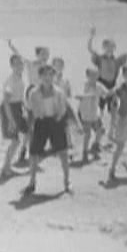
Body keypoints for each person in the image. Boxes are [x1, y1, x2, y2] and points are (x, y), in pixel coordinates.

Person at [23, 65, 82, 196]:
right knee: (33, 153)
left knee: (63, 152)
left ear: (54, 77)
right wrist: (29, 128)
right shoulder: (34, 93)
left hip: (56, 122)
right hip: (41, 123)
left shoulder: (59, 92)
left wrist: (76, 124)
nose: (48, 78)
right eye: (45, 75)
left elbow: (67, 108)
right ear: (40, 77)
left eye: (50, 75)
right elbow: (30, 111)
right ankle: (32, 182)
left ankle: (67, 182)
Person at [87, 27, 127, 140]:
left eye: (111, 47)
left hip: (112, 87)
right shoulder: (99, 59)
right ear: (103, 48)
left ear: (114, 48)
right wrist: (92, 36)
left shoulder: (117, 61)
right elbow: (90, 49)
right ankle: (98, 132)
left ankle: (111, 132)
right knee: (98, 111)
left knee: (114, 111)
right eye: (107, 47)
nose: (109, 49)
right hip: (101, 86)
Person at [7, 39, 50, 161]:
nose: (45, 56)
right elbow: (19, 56)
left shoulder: (47, 68)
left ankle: (30, 149)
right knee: (31, 124)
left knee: (39, 124)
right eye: (43, 54)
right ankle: (25, 150)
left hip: (42, 94)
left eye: (47, 54)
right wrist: (11, 46)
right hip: (32, 93)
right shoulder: (31, 64)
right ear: (38, 54)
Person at [0, 54, 29, 177]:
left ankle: (22, 154)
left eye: (21, 63)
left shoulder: (20, 78)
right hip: (9, 109)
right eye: (16, 64)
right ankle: (5, 168)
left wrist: (25, 107)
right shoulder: (10, 81)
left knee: (28, 131)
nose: (19, 66)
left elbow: (20, 96)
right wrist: (11, 121)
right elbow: (6, 102)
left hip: (17, 107)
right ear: (11, 66)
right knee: (15, 141)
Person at [76, 67, 109, 162]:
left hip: (95, 113)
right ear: (87, 76)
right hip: (85, 114)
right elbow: (77, 95)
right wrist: (88, 95)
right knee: (88, 134)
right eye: (92, 75)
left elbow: (106, 93)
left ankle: (96, 145)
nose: (94, 77)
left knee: (101, 130)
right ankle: (85, 153)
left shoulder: (99, 86)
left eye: (96, 75)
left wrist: (111, 93)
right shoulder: (83, 85)